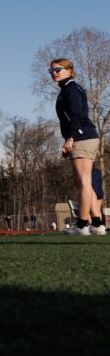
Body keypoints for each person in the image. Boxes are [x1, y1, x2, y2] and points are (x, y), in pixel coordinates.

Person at [51, 58, 102, 235]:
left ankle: (82, 225)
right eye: (52, 71)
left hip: (82, 136)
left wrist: (71, 137)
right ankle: (97, 224)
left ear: (69, 70)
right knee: (82, 182)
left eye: (58, 69)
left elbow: (76, 114)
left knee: (83, 182)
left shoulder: (71, 88)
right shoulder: (69, 88)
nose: (54, 73)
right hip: (85, 136)